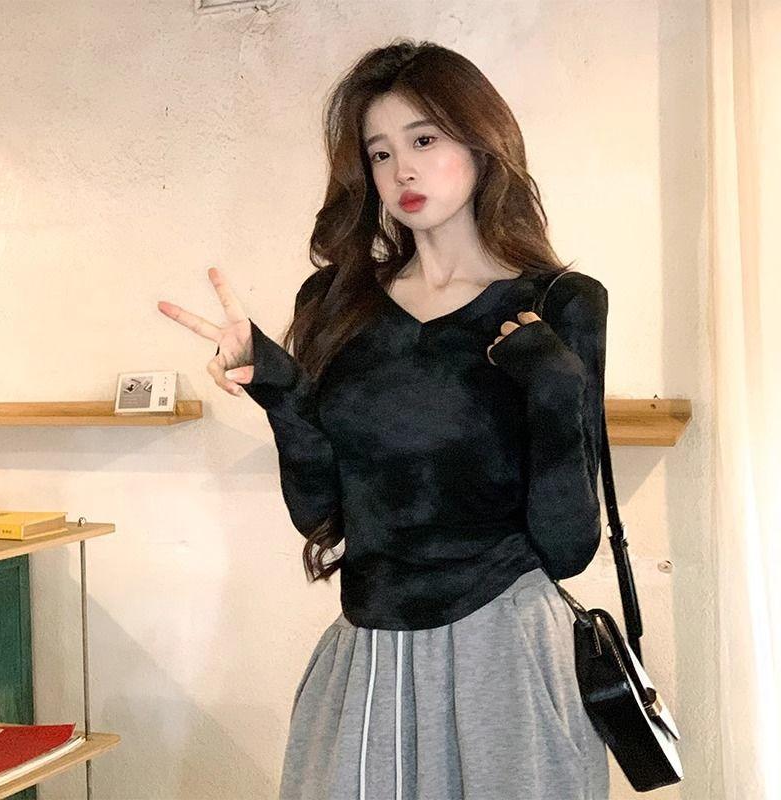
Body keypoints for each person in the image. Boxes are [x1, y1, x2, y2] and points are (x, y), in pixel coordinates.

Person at [158, 38, 610, 800]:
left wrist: (555, 384)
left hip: (506, 652)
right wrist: (277, 386)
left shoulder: (562, 303)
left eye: (424, 140)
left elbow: (568, 548)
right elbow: (323, 516)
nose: (402, 170)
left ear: (482, 143)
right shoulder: (336, 303)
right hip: (369, 655)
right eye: (380, 152)